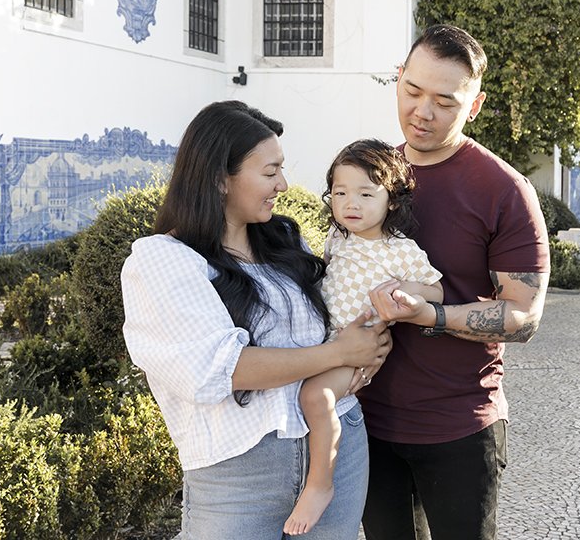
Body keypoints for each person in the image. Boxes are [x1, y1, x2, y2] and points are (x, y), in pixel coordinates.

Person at [120, 101, 391, 540]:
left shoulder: (284, 241)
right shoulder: (163, 260)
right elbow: (217, 370)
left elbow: (342, 319)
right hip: (239, 475)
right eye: (270, 172)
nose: (283, 184)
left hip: (339, 447)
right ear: (217, 178)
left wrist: (368, 350)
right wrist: (339, 353)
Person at [359, 24, 550, 540]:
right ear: (398, 79)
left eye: (444, 101)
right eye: (412, 91)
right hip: (367, 425)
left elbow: (523, 316)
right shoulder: (370, 175)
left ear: (475, 105)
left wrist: (433, 316)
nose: (422, 111)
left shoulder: (503, 189)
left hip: (460, 427)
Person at [285, 139, 444, 536]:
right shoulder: (336, 240)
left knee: (313, 397)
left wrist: (405, 292)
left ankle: (320, 482)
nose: (350, 204)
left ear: (391, 200)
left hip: (353, 350)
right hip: (325, 342)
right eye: (340, 193)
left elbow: (437, 292)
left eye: (365, 194)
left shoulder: (402, 252)